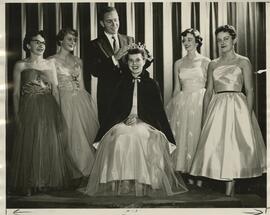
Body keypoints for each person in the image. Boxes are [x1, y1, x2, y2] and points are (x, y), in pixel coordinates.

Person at [81, 45, 188, 196]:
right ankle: (122, 179)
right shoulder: (121, 83)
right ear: (127, 62)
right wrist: (123, 119)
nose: (134, 63)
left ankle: (141, 179)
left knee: (139, 135)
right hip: (124, 122)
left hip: (146, 123)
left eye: (138, 60)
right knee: (120, 135)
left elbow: (157, 113)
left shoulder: (151, 84)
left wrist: (139, 118)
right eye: (131, 60)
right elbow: (114, 110)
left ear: (144, 61)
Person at [190, 25, 266, 196]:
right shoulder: (212, 64)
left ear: (234, 40)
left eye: (226, 39)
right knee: (216, 147)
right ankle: (217, 189)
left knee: (234, 146)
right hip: (217, 107)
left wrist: (247, 113)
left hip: (238, 106)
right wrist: (204, 117)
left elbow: (251, 90)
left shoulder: (243, 61)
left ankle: (229, 190)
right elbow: (208, 92)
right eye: (219, 40)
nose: (222, 42)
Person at [10, 30, 69, 196]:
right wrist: (17, 115)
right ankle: (29, 182)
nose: (40, 45)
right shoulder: (20, 65)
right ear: (28, 45)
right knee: (29, 144)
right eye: (36, 42)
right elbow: (15, 94)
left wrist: (60, 112)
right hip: (29, 107)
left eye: (43, 42)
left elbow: (56, 91)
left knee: (46, 142)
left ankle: (42, 181)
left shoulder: (50, 64)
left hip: (48, 106)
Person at [48, 28, 99, 184]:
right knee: (67, 136)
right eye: (69, 39)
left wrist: (88, 106)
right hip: (62, 99)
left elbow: (82, 85)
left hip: (79, 100)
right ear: (60, 41)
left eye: (75, 40)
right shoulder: (51, 60)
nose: (73, 42)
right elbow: (53, 88)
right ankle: (71, 172)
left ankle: (84, 171)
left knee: (81, 135)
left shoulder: (78, 61)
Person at [166, 28, 210, 186]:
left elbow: (209, 87)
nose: (186, 43)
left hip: (199, 101)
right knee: (184, 137)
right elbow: (177, 88)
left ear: (197, 41)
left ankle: (199, 175)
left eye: (190, 40)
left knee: (197, 136)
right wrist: (172, 107)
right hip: (183, 102)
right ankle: (189, 176)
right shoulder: (178, 63)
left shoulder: (206, 62)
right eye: (184, 40)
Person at [85, 6, 134, 125]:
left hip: (128, 93)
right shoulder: (94, 44)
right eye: (109, 21)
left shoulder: (129, 40)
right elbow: (95, 71)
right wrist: (114, 58)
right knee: (109, 132)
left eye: (116, 20)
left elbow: (135, 65)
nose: (114, 24)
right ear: (102, 23)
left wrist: (147, 59)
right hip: (108, 96)